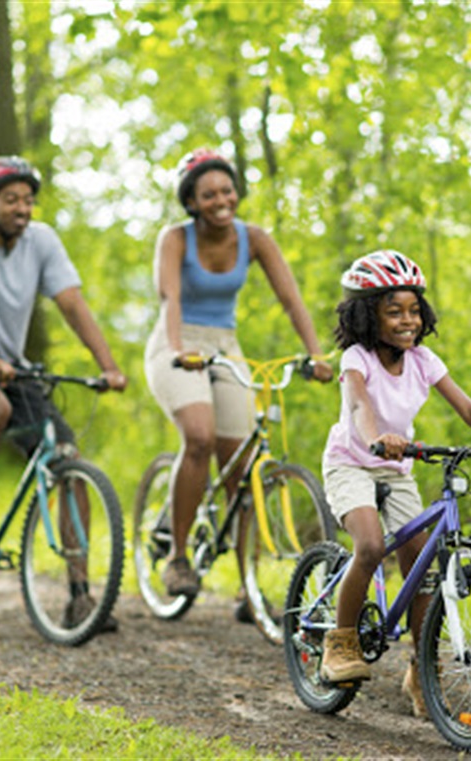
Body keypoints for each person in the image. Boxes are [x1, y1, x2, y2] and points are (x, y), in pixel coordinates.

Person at [318, 250, 471, 717]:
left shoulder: (423, 360)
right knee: (370, 546)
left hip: (396, 468)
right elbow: (360, 407)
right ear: (366, 315)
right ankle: (339, 643)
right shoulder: (356, 358)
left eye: (414, 310)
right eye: (393, 311)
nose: (408, 320)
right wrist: (377, 438)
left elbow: (469, 409)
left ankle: (422, 669)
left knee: (421, 562)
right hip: (352, 462)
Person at [0, 155, 128, 628]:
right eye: (12, 199)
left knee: (67, 459)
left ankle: (80, 595)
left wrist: (109, 366)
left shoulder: (42, 241)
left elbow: (71, 303)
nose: (23, 208)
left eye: (29, 200)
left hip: (11, 368)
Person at [145, 148, 333, 600]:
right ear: (191, 202)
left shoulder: (255, 238)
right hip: (177, 343)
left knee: (243, 467)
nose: (220, 200)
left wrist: (316, 354)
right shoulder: (175, 239)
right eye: (208, 194)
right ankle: (177, 556)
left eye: (226, 190)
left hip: (226, 344)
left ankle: (249, 585)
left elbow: (291, 301)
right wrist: (178, 350)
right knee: (199, 437)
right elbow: (170, 299)